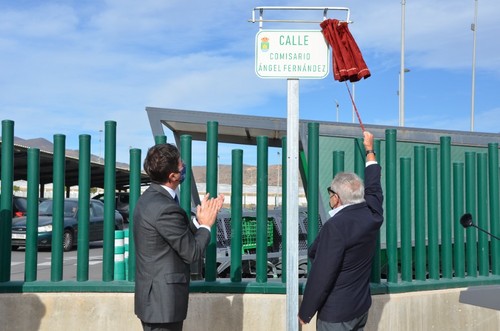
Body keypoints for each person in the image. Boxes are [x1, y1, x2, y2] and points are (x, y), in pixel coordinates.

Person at [298, 131, 384, 331]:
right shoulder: (372, 214)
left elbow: (322, 273)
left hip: (337, 315)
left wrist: (306, 311)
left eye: (330, 193)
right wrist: (370, 150)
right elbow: (374, 188)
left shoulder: (335, 226)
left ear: (336, 197)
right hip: (361, 308)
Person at [133, 143, 224, 331]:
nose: (183, 166)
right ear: (172, 176)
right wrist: (206, 225)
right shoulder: (165, 208)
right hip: (163, 303)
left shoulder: (149, 199)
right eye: (180, 164)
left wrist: (198, 222)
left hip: (154, 301)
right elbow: (192, 252)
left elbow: (173, 237)